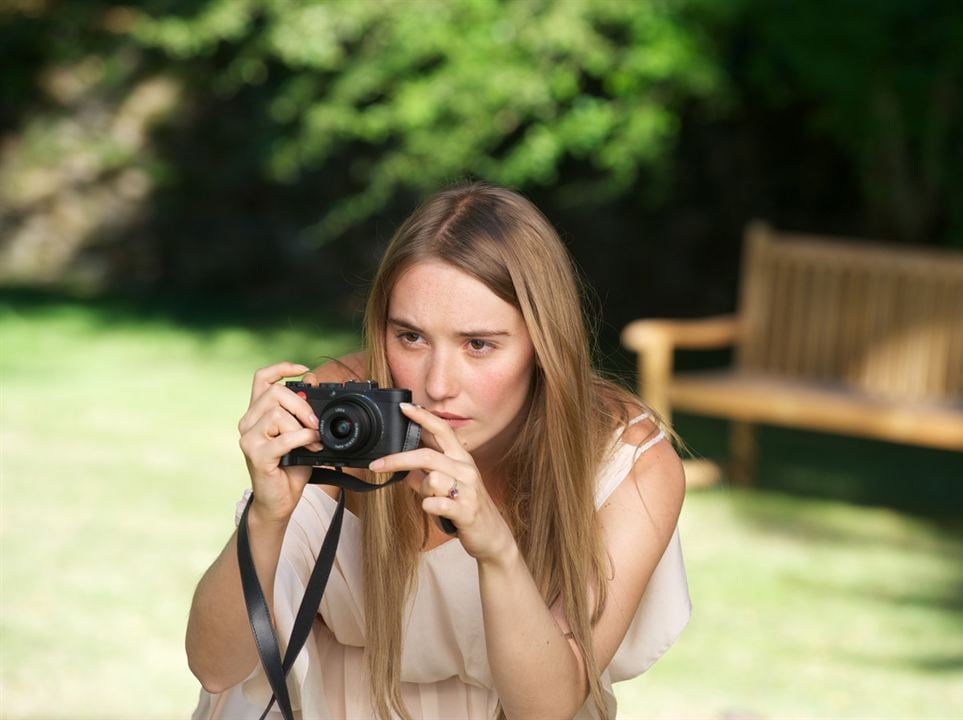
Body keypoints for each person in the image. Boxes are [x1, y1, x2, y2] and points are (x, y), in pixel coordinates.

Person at [187, 182, 690, 719]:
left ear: (544, 346)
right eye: (411, 337)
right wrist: (268, 516)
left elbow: (548, 710)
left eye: (479, 344)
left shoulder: (628, 463)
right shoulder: (343, 415)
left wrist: (495, 548)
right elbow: (215, 667)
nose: (439, 384)